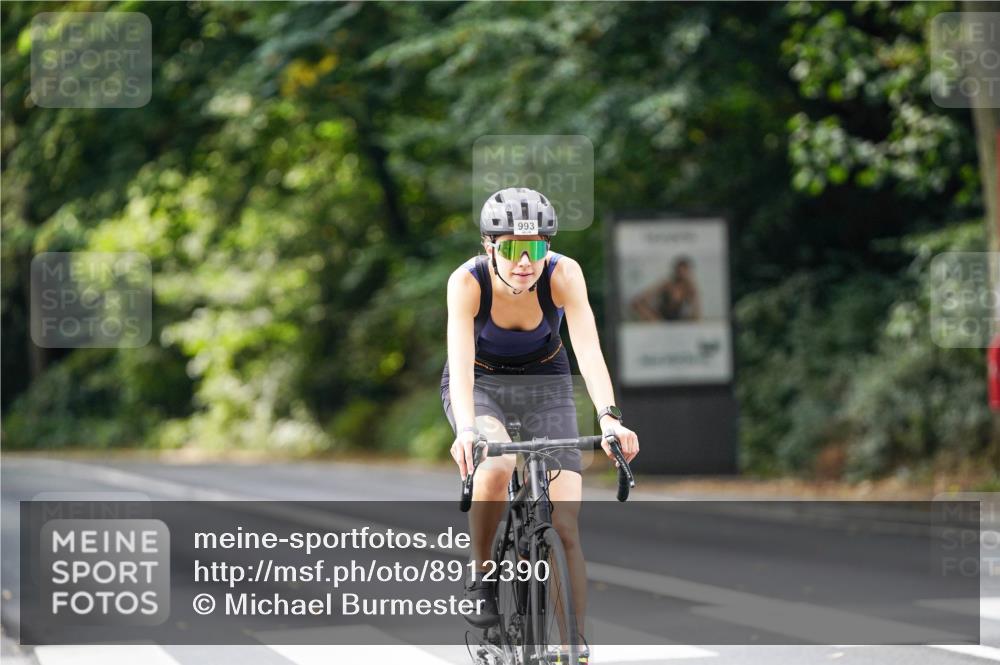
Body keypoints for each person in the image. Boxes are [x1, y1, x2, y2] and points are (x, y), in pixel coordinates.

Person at [441, 187, 640, 657]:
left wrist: (610, 417)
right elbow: (461, 357)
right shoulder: (467, 282)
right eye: (512, 248)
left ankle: (573, 648)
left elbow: (587, 350)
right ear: (490, 246)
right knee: (495, 465)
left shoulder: (564, 274)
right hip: (481, 382)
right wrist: (467, 430)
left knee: (565, 524)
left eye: (535, 248)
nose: (525, 261)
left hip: (546, 382)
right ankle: (484, 574)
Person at [630, 256, 701, 322]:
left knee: (694, 318)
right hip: (660, 317)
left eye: (684, 271)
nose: (681, 273)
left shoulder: (690, 288)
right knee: (637, 304)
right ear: (676, 271)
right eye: (679, 271)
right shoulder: (667, 284)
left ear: (688, 272)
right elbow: (646, 295)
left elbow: (696, 310)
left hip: (678, 319)